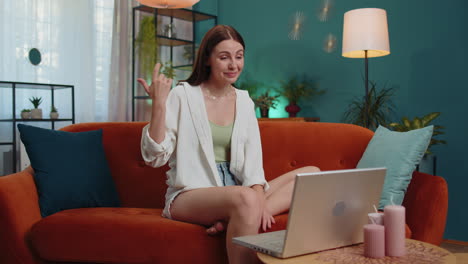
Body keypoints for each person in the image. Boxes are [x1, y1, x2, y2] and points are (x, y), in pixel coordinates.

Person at [139, 25, 319, 264]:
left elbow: (254, 165)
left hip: (236, 190)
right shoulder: (183, 95)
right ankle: (244, 210)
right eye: (224, 57)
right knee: (246, 198)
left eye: (239, 56)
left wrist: (256, 198)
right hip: (190, 194)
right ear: (208, 60)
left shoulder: (244, 101)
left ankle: (237, 216)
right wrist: (160, 105)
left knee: (311, 175)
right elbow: (154, 157)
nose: (234, 65)